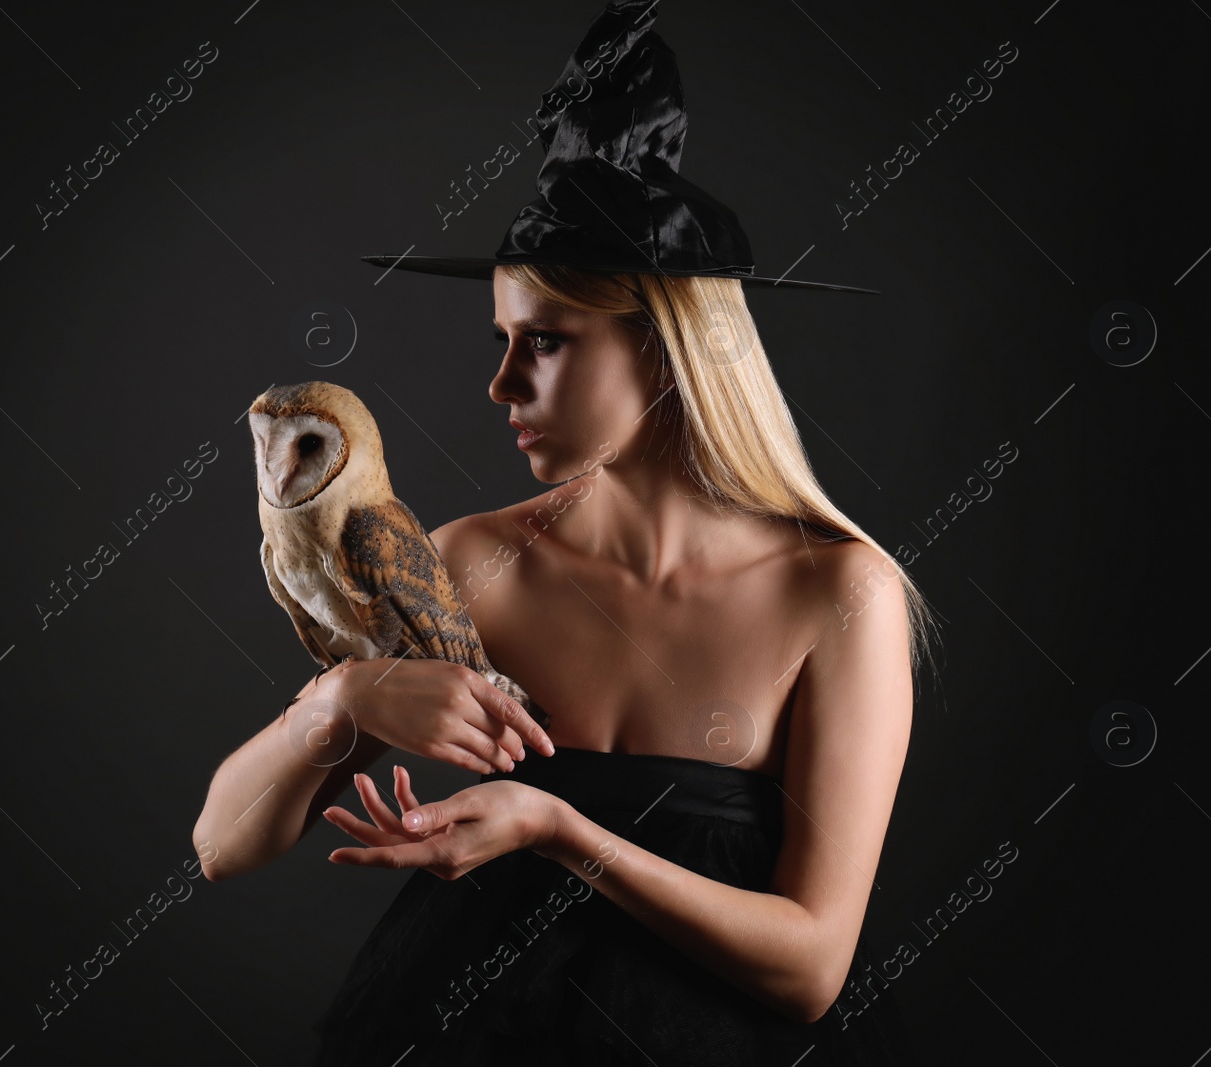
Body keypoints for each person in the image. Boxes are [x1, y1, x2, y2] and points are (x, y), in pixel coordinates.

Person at [194, 2, 937, 1062]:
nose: (500, 384)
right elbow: (221, 842)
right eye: (502, 340)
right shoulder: (468, 564)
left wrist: (556, 828)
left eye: (542, 343)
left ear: (666, 350)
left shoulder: (839, 593)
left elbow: (812, 965)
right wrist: (344, 698)